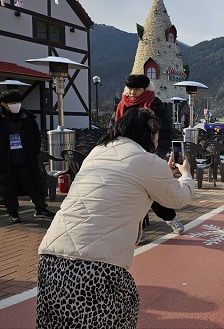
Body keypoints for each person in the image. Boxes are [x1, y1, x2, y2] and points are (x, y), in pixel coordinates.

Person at [37, 107, 194, 328]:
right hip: (97, 268)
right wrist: (186, 175)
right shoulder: (149, 161)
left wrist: (162, 173)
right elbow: (178, 198)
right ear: (150, 135)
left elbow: (125, 177)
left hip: (50, 260)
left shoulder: (97, 151)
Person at [114, 74, 185, 238]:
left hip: (149, 153)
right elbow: (114, 128)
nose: (132, 93)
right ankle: (136, 228)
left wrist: (158, 153)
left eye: (137, 89)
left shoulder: (155, 104)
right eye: (130, 89)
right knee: (132, 193)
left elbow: (165, 130)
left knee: (155, 190)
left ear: (145, 89)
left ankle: (170, 218)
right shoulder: (121, 105)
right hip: (126, 154)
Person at [0, 90, 55, 223]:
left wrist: (34, 150)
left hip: (27, 159)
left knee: (34, 185)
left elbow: (37, 137)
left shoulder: (28, 117)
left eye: (18, 102)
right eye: (13, 103)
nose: (16, 105)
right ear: (3, 104)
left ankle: (41, 208)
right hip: (7, 161)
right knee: (9, 188)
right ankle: (13, 213)